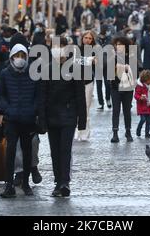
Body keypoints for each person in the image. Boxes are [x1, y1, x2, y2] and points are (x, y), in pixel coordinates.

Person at [38, 37, 87, 197]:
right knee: (54, 151)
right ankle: (58, 181)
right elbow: (43, 97)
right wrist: (42, 120)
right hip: (52, 116)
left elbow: (80, 96)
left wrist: (82, 121)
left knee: (65, 150)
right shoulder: (47, 69)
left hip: (68, 116)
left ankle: (64, 182)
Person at [0, 44, 40, 198]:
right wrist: (6, 110)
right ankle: (9, 185)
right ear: (12, 57)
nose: (20, 59)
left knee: (27, 151)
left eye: (23, 56)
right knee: (10, 151)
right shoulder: (5, 74)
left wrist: (33, 110)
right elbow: (0, 96)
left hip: (28, 119)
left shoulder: (33, 74)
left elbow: (38, 96)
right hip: (12, 119)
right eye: (18, 56)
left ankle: (26, 183)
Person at [110, 36, 136, 143]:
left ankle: (128, 131)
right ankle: (115, 133)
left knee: (127, 111)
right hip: (115, 87)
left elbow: (136, 72)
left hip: (128, 88)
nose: (118, 46)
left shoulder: (131, 57)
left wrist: (127, 68)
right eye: (117, 44)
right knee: (116, 110)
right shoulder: (112, 57)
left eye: (121, 44)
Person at [74, 30, 97, 142]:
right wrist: (87, 60)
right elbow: (75, 61)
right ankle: (76, 131)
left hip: (88, 82)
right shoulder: (77, 49)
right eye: (86, 37)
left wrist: (90, 60)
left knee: (86, 108)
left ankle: (84, 132)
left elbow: (97, 62)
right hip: (76, 81)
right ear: (82, 38)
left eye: (90, 38)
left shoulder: (95, 50)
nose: (87, 40)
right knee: (76, 107)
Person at [134, 70, 150, 138]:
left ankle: (147, 133)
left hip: (149, 105)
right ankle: (138, 130)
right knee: (143, 119)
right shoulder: (140, 86)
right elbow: (136, 95)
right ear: (146, 79)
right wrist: (140, 98)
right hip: (142, 106)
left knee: (148, 121)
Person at [96, 24, 113, 110]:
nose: (108, 31)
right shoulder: (96, 39)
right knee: (99, 84)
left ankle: (108, 99)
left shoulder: (110, 39)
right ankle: (101, 103)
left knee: (107, 83)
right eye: (107, 30)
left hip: (108, 64)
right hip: (98, 64)